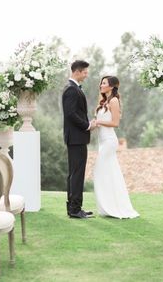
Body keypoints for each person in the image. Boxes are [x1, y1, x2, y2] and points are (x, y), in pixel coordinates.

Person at [93, 76, 139, 219]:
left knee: (100, 170)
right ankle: (108, 206)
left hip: (109, 141)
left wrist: (98, 122)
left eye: (104, 83)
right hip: (102, 141)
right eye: (101, 82)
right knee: (108, 172)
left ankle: (114, 206)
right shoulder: (104, 101)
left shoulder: (113, 101)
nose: (101, 85)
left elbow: (115, 123)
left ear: (112, 86)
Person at [62, 60, 95, 219]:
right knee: (77, 174)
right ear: (77, 72)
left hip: (76, 138)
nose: (86, 75)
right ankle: (75, 209)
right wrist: (87, 126)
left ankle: (74, 208)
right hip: (76, 138)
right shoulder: (71, 90)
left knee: (75, 173)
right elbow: (71, 114)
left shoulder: (73, 89)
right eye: (85, 72)